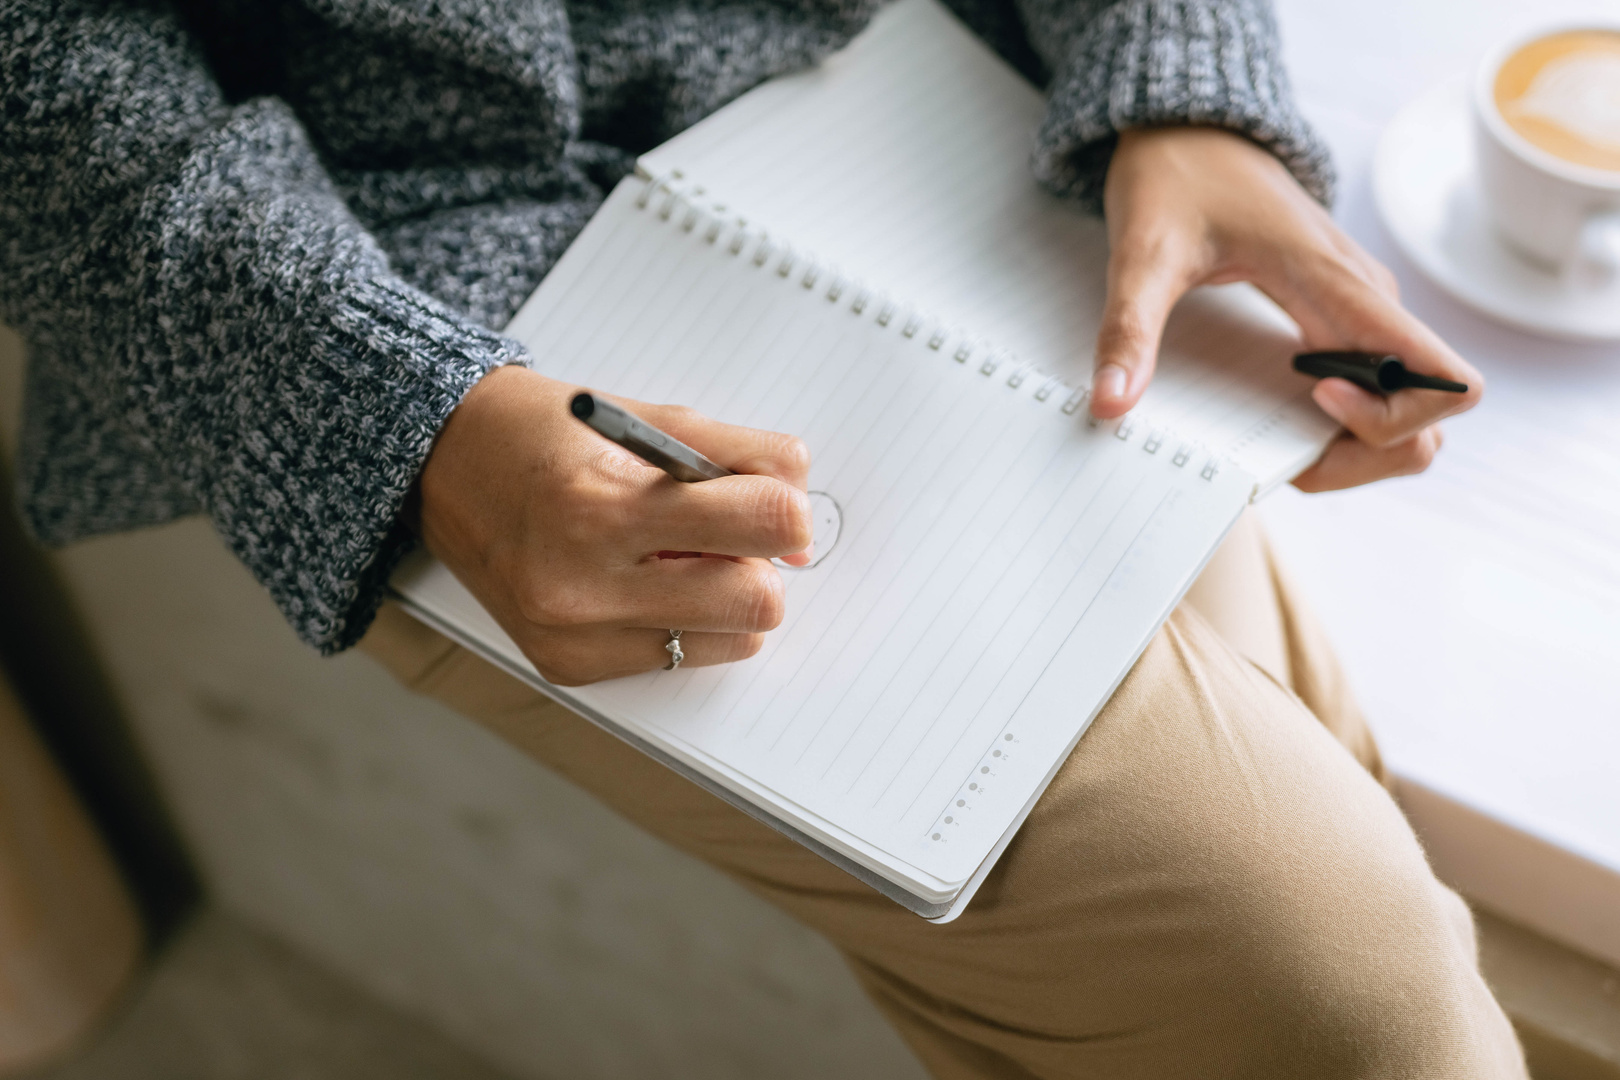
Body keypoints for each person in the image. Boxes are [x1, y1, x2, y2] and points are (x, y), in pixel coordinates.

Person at [0, 0, 1524, 1075]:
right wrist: (381, 399)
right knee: (1348, 996)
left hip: (919, 101)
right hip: (386, 276)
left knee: (1332, 876)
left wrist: (1177, 71)